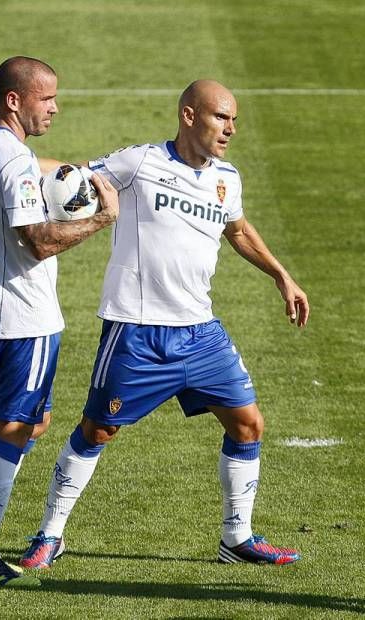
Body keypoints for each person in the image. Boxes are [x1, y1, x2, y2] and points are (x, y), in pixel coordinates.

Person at [19, 79, 310, 569]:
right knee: (96, 431)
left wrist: (282, 276)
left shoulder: (226, 178)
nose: (230, 129)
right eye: (222, 117)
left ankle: (236, 539)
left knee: (247, 423)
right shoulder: (141, 162)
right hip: (137, 331)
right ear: (190, 116)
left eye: (234, 120)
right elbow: (76, 174)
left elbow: (236, 228)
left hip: (201, 333)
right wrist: (16, 166)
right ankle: (50, 534)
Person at [0, 56, 118, 587]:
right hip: (25, 321)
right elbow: (38, 242)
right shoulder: (13, 163)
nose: (56, 108)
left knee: (29, 423)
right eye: (47, 98)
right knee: (13, 430)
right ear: (14, 100)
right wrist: (102, 218)